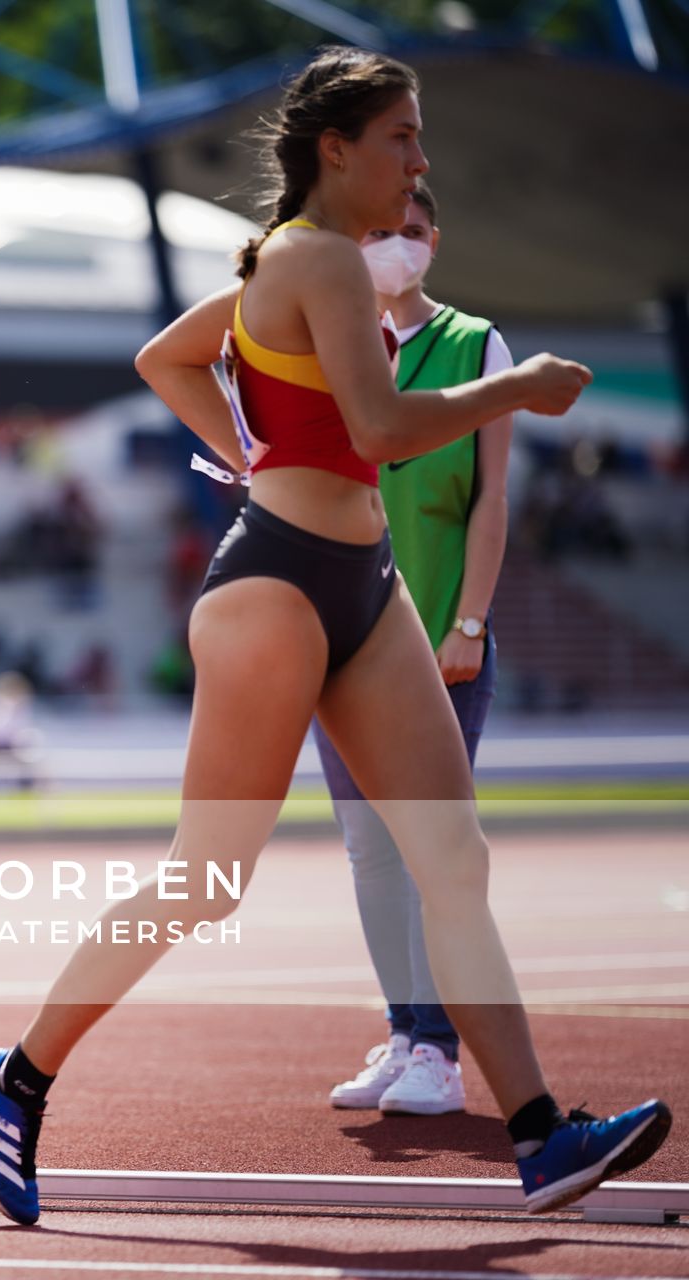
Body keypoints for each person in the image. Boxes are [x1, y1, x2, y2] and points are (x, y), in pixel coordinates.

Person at [0, 48, 670, 1226]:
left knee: (455, 859)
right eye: (401, 136)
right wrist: (516, 387)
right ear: (336, 148)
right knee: (208, 875)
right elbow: (384, 426)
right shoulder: (309, 257)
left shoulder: (297, 264)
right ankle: (17, 1074)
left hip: (365, 578)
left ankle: (542, 1133)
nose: (420, 159)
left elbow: (172, 358)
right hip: (276, 586)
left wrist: (254, 450)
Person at [322, 179, 512, 1117]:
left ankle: (442, 1049)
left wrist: (469, 623)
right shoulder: (331, 349)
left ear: (437, 238)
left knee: (433, 845)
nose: (396, 245)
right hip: (340, 641)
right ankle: (404, 1034)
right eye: (378, 233)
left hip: (439, 639)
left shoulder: (478, 345)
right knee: (369, 850)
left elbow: (489, 498)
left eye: (412, 231)